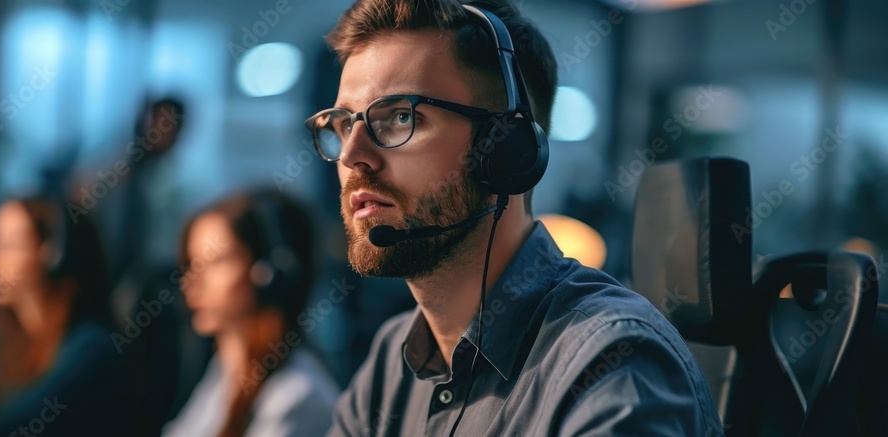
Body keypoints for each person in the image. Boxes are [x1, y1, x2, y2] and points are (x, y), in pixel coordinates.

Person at [305, 0, 725, 435]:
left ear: (505, 149)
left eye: (399, 117)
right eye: (343, 125)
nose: (352, 155)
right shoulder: (391, 363)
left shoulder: (611, 364)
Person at [163, 189, 339, 437]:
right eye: (192, 263)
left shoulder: (296, 395)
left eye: (217, 262)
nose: (191, 283)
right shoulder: (225, 371)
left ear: (269, 275)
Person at [0, 197, 131, 435]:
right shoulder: (10, 343)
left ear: (52, 255)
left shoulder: (91, 348)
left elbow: (12, 425)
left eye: (8, 245)